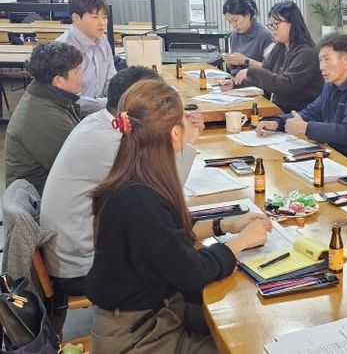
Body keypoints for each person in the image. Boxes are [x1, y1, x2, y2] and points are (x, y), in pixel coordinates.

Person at [86, 79, 272, 353]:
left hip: (154, 314)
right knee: (250, 341)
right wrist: (241, 242)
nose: (190, 121)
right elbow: (193, 272)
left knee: (242, 326)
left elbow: (168, 235)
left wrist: (226, 225)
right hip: (139, 336)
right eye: (185, 116)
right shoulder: (139, 200)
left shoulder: (136, 175)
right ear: (174, 133)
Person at [40, 66, 204, 327]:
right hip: (83, 265)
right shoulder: (115, 141)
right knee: (183, 264)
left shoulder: (101, 122)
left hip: (76, 247)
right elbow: (165, 199)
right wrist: (185, 141)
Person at [255, 33, 347, 173]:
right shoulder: (331, 85)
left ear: (346, 61)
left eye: (327, 60)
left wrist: (306, 128)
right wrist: (278, 123)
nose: (321, 67)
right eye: (320, 60)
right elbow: (313, 112)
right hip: (333, 155)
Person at [5, 42, 83, 195]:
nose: (82, 76)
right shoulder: (45, 118)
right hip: (42, 196)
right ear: (58, 80)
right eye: (77, 71)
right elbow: (77, 169)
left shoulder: (46, 96)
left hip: (48, 185)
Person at [219, 1, 323, 112]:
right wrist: (235, 84)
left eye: (276, 24)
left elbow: (286, 85)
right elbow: (266, 74)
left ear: (293, 23)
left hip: (299, 114)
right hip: (278, 109)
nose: (273, 28)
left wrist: (251, 71)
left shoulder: (306, 53)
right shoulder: (280, 47)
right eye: (271, 25)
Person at [56, 0, 117, 115]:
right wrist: (110, 103)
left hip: (102, 112)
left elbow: (111, 80)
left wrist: (117, 98)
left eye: (104, 17)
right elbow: (69, 99)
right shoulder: (62, 48)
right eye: (95, 17)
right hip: (72, 117)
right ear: (76, 18)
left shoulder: (102, 40)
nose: (102, 23)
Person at [222, 0, 274, 74]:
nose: (233, 25)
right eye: (229, 22)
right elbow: (232, 69)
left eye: (235, 20)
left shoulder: (265, 36)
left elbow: (272, 69)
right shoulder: (234, 35)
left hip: (255, 80)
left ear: (247, 15)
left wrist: (245, 61)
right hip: (236, 79)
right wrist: (230, 62)